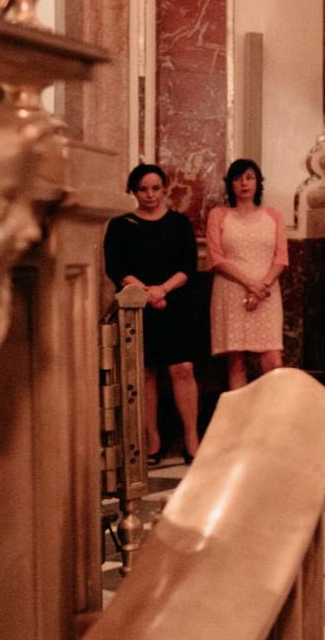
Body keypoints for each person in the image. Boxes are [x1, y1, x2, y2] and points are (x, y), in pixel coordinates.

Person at [103, 163, 201, 461]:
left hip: (176, 304)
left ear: (164, 189)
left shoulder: (179, 223)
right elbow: (116, 267)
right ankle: (152, 439)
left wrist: (162, 290)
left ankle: (191, 438)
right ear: (133, 191)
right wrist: (145, 292)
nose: (150, 194)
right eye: (143, 189)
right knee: (145, 372)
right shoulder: (121, 224)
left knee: (183, 368)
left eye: (155, 188)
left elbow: (188, 266)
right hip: (137, 305)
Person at [206, 158, 287, 391]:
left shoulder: (273, 215)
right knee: (236, 362)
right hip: (231, 292)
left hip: (267, 292)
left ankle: (274, 418)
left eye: (249, 177)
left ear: (258, 183)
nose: (244, 183)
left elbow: (281, 258)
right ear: (230, 184)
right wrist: (251, 284)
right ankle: (241, 422)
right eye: (238, 178)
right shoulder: (219, 214)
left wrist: (262, 286)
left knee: (273, 360)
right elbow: (216, 258)